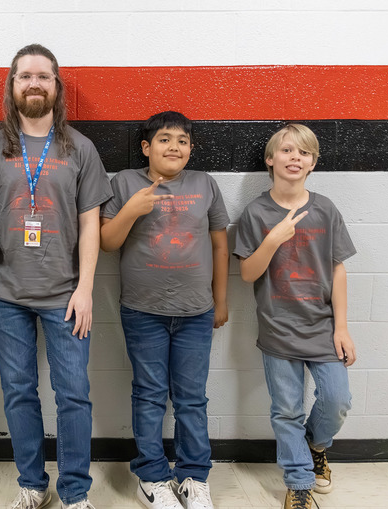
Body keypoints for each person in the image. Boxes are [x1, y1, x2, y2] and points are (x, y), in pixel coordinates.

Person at [0, 43, 112, 509]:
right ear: (13, 87)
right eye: (25, 76)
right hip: (7, 294)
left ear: (56, 86)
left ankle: (74, 493)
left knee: (74, 395)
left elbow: (91, 221)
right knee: (18, 393)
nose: (34, 83)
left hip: (66, 295)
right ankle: (32, 484)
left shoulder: (80, 148)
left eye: (43, 76)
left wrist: (86, 289)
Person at [99, 111, 229, 509]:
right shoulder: (122, 182)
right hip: (143, 310)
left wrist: (221, 301)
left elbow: (220, 245)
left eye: (182, 141)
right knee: (150, 394)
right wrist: (131, 210)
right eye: (164, 139)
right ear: (146, 147)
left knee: (192, 397)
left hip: (196, 311)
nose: (174, 147)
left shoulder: (205, 184)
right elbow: (107, 242)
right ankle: (153, 476)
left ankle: (193, 475)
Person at [233, 124, 356, 509]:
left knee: (337, 400)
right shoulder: (256, 212)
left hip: (321, 327)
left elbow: (337, 269)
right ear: (271, 159)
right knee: (287, 409)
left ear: (313, 163)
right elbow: (248, 273)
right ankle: (299, 480)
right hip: (278, 328)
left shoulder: (325, 209)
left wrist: (343, 327)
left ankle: (315, 446)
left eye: (304, 153)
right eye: (287, 151)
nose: (295, 158)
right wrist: (272, 240)